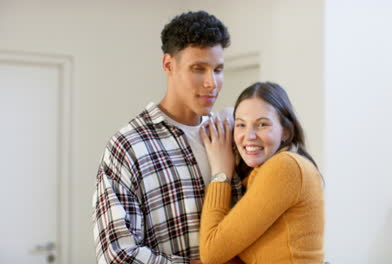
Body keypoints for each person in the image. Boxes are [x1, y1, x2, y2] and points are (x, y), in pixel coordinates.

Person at [92, 11, 243, 264]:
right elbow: (118, 255)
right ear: (168, 65)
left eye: (218, 70)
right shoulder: (129, 146)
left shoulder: (230, 136)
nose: (212, 83)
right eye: (199, 69)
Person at [199, 82, 325, 264]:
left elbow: (212, 252)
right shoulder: (265, 170)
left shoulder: (285, 167)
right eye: (241, 125)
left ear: (286, 132)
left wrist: (220, 172)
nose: (249, 136)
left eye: (262, 125)